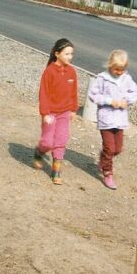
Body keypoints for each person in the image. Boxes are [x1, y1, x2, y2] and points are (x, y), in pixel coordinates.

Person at [88, 49, 137, 190]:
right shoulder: (102, 78)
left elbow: (135, 92)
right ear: (110, 65)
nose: (119, 72)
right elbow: (93, 95)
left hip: (120, 119)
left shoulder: (127, 79)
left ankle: (104, 158)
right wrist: (109, 101)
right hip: (106, 119)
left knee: (117, 149)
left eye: (122, 70)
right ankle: (107, 173)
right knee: (109, 148)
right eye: (117, 69)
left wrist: (126, 100)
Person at [33, 37, 78, 185]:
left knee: (61, 140)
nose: (69, 57)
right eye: (66, 54)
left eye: (71, 54)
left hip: (64, 113)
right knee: (47, 142)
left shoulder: (72, 72)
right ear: (57, 54)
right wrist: (45, 113)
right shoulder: (49, 72)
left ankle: (56, 171)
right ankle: (39, 152)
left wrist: (73, 109)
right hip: (51, 113)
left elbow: (73, 93)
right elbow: (44, 94)